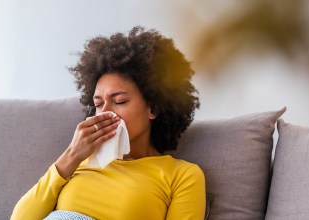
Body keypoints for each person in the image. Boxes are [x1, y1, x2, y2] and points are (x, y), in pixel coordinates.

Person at [11, 26, 206, 220]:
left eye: (119, 101)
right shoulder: (78, 162)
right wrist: (72, 155)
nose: (104, 112)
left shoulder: (181, 175)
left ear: (153, 108)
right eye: (98, 104)